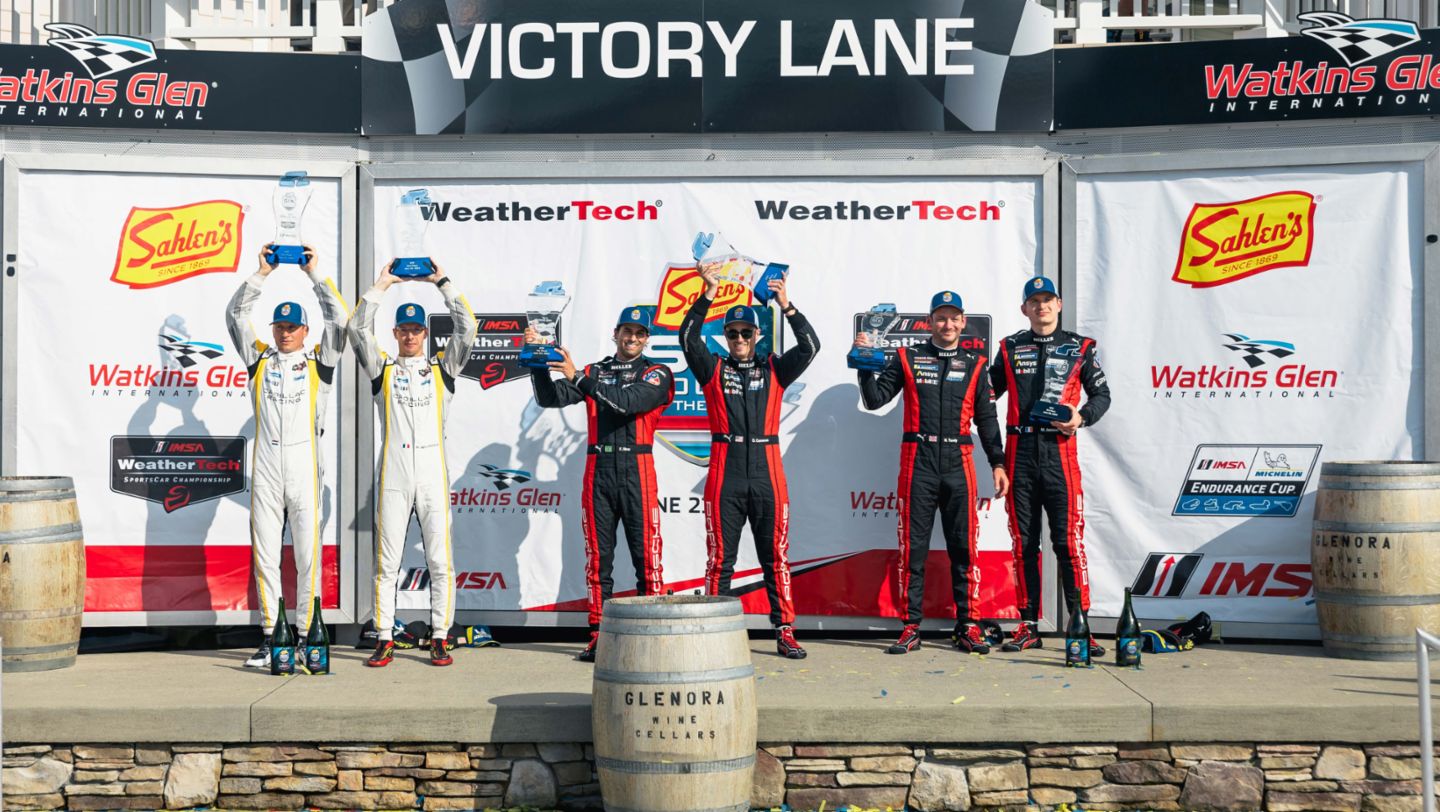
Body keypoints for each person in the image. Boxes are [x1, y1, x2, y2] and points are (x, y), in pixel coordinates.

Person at [855, 290, 1009, 655]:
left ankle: (968, 625)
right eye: (941, 317)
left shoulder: (976, 365)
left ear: (963, 321)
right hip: (918, 461)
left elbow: (987, 420)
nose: (948, 324)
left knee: (964, 548)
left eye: (954, 318)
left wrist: (998, 463)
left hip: (959, 461)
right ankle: (911, 627)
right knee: (914, 549)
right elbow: (875, 400)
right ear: (930, 322)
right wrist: (864, 362)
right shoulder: (907, 357)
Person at [680, 267, 819, 659]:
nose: (739, 339)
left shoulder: (774, 367)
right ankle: (713, 635)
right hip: (725, 473)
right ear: (725, 337)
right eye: (733, 333)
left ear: (757, 335)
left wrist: (787, 306)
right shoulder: (713, 368)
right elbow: (687, 338)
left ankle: (785, 631)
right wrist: (708, 293)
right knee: (720, 560)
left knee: (775, 557)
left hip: (766, 471)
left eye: (746, 333)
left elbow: (810, 347)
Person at [528, 307, 675, 662]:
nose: (632, 338)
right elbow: (550, 398)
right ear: (616, 333)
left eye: (639, 333)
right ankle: (599, 635)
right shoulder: (597, 370)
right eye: (627, 331)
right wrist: (537, 361)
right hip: (598, 468)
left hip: (638, 467)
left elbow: (626, 404)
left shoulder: (657, 372)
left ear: (646, 338)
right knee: (598, 561)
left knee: (646, 559)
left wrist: (578, 377)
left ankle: (652, 635)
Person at [226, 245, 348, 669]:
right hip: (266, 467)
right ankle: (270, 637)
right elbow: (234, 316)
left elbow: (340, 320)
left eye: (292, 327)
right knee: (265, 554)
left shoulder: (319, 363)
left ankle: (305, 635)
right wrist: (261, 273)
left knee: (307, 556)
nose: (285, 333)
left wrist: (315, 274)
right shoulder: (259, 358)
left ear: (305, 330)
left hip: (304, 468)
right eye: (280, 326)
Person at [350, 262, 477, 668]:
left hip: (432, 475)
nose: (409, 336)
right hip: (394, 474)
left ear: (425, 333)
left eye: (416, 330)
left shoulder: (443, 368)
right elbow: (356, 329)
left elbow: (468, 328)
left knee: (439, 561)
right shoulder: (383, 369)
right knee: (386, 564)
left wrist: (442, 282)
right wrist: (382, 284)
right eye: (403, 330)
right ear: (395, 334)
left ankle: (440, 636)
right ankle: (384, 637)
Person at [990, 277, 1111, 655]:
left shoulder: (1080, 347)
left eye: (1047, 300)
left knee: (1068, 542)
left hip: (1060, 453)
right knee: (1023, 543)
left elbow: (1102, 395)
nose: (1041, 306)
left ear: (1058, 304)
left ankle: (1081, 627)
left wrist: (1081, 417)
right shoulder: (1010, 348)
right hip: (1019, 453)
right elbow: (984, 396)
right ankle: (1028, 626)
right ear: (1024, 308)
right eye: (1034, 301)